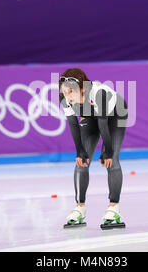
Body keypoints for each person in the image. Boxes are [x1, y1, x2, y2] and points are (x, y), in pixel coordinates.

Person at [58, 68, 128, 229]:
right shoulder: (64, 97)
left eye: (71, 92)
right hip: (90, 116)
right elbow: (73, 124)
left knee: (112, 160)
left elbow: (103, 124)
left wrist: (107, 150)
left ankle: (113, 208)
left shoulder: (99, 94)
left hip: (115, 115)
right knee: (81, 162)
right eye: (64, 92)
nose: (67, 96)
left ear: (82, 89)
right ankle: (79, 207)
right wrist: (79, 151)